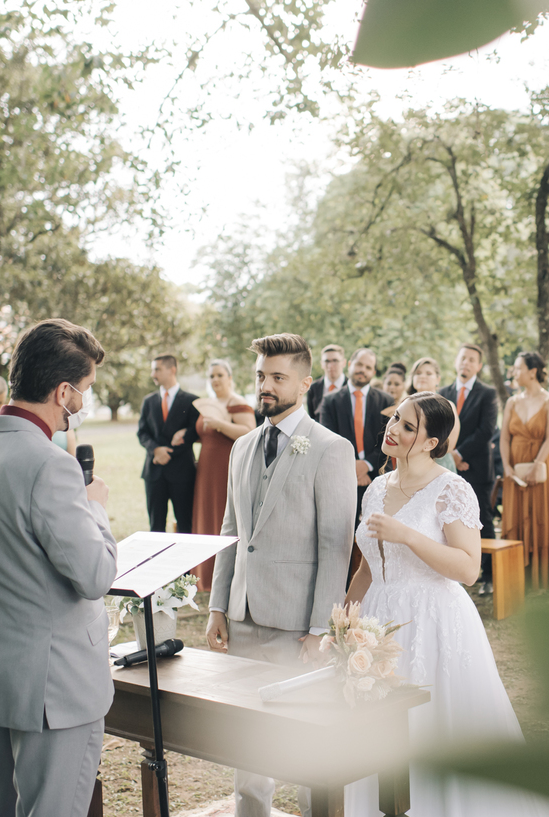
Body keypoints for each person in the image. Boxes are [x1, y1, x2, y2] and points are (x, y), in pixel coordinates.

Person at [341, 393, 549, 817]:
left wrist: (410, 536)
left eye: (409, 427)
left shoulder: (451, 489)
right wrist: (343, 624)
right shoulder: (377, 487)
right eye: (395, 418)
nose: (393, 429)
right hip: (377, 626)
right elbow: (366, 569)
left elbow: (469, 569)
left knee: (432, 727)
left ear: (433, 442)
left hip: (432, 622)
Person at [0, 319, 116, 817]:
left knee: (3, 809)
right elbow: (96, 576)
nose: (81, 407)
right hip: (56, 688)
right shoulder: (51, 465)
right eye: (85, 393)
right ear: (63, 391)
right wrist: (93, 505)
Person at [206, 333, 357, 817]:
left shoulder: (331, 450)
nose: (265, 386)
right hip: (243, 614)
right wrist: (217, 606)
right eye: (261, 377)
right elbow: (232, 530)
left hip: (298, 625)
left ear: (305, 382)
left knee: (304, 742)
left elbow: (335, 546)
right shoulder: (243, 446)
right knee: (249, 741)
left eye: (277, 377)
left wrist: (320, 629)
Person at [190, 359, 257, 591]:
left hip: (226, 468)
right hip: (205, 470)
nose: (215, 380)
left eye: (220, 375)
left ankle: (226, 578)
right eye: (212, 376)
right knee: (207, 515)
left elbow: (249, 432)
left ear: (230, 377)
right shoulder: (209, 403)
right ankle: (204, 577)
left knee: (222, 515)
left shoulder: (237, 403)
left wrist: (219, 424)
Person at [500, 352, 549, 589]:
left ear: (532, 371)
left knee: (540, 517)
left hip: (542, 463)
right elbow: (504, 438)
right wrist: (506, 466)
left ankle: (542, 575)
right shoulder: (512, 402)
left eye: (518, 368)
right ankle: (516, 575)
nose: (514, 373)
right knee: (516, 516)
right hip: (514, 467)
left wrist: (537, 464)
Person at [439, 344, 500, 588]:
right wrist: (450, 455)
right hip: (448, 468)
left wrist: (460, 453)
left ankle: (489, 576)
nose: (466, 362)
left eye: (471, 359)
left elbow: (487, 429)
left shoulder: (488, 393)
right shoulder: (443, 392)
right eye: (462, 358)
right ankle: (454, 574)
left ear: (479, 366)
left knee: (481, 519)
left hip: (476, 467)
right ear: (456, 361)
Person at [320, 348, 394, 518]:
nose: (363, 370)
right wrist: (351, 466)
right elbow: (328, 440)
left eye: (368, 367)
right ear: (350, 364)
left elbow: (388, 441)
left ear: (373, 372)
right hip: (341, 477)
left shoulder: (386, 401)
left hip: (378, 475)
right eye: (359, 364)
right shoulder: (330, 401)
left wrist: (365, 465)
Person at [137, 354, 200, 533]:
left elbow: (194, 432)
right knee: (155, 526)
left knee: (185, 524)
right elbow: (142, 432)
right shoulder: (148, 401)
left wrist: (169, 452)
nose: (153, 374)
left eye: (157, 369)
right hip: (154, 472)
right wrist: (156, 450)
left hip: (182, 471)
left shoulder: (192, 400)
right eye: (152, 369)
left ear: (172, 370)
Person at [387, 357, 460, 472]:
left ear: (438, 379)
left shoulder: (448, 406)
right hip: (405, 465)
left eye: (428, 373)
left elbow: (449, 445)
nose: (422, 376)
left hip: (437, 466)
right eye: (418, 373)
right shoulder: (402, 405)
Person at [305, 343, 347, 422]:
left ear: (343, 363)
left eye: (335, 361)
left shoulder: (351, 386)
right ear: (322, 364)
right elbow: (312, 419)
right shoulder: (313, 388)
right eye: (327, 361)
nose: (330, 365)